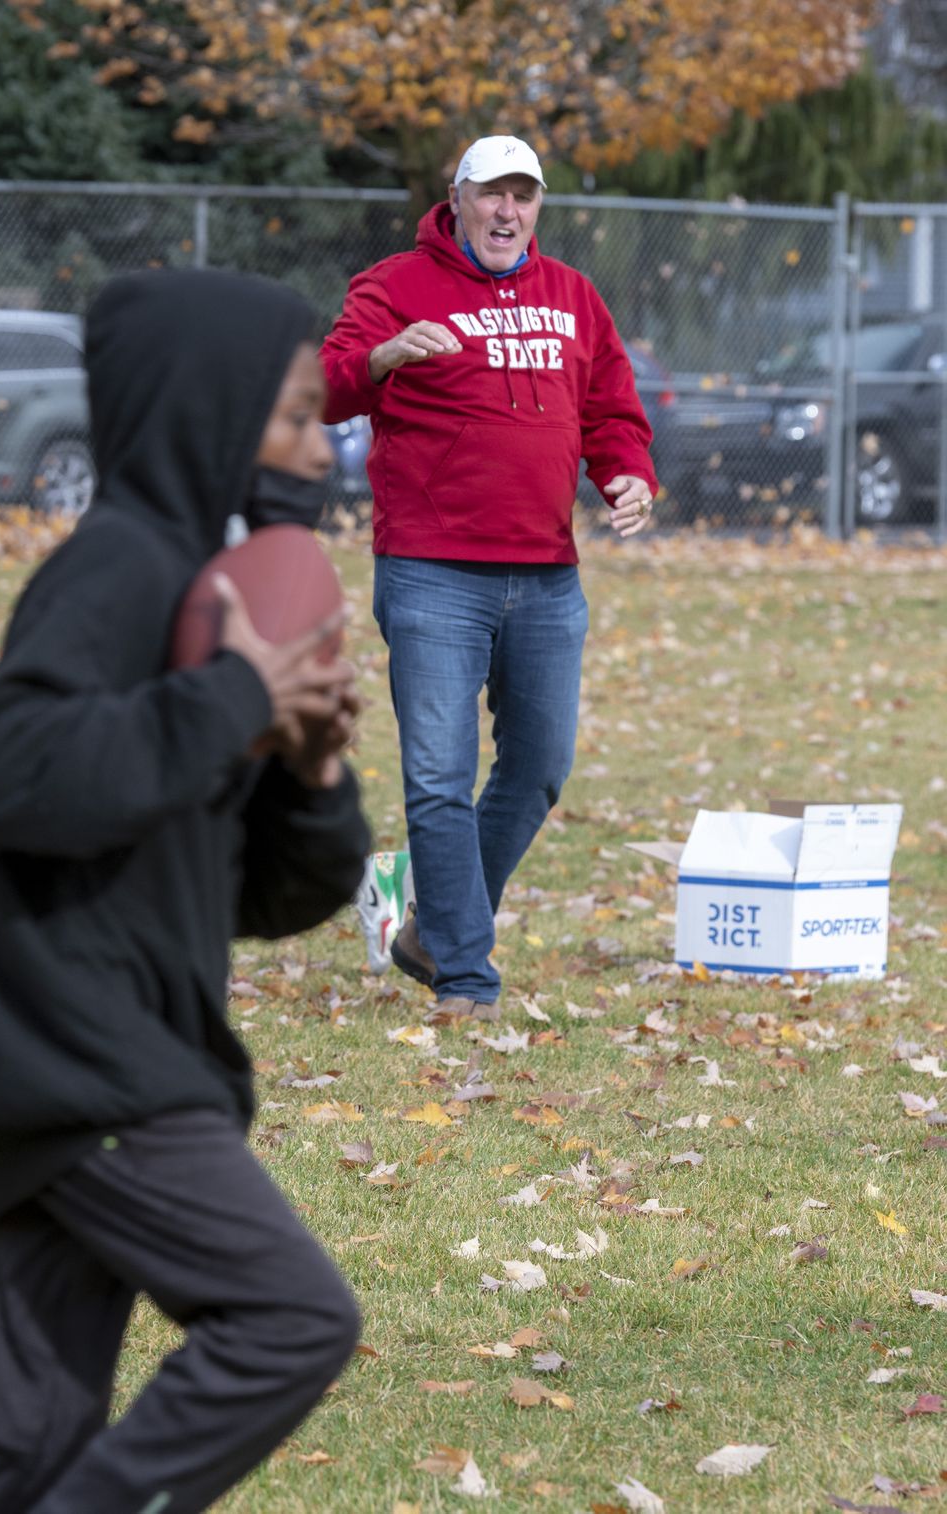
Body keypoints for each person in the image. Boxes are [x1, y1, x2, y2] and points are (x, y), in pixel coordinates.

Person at [0, 269, 370, 1514]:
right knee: (289, 1316)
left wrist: (310, 774)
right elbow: (0, 772)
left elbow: (255, 895)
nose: (324, 449)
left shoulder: (210, 600)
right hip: (71, 1049)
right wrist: (230, 702)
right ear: (211, 415)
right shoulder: (117, 569)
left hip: (77, 1051)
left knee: (17, 1447)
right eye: (300, 417)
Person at [322, 134, 657, 1020]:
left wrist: (627, 474)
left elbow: (612, 410)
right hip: (434, 572)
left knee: (541, 765)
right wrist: (384, 357)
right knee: (437, 775)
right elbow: (322, 388)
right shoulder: (394, 286)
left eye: (525, 196)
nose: (509, 212)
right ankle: (466, 978)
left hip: (547, 574)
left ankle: (432, 927)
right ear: (457, 197)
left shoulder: (573, 297)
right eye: (492, 194)